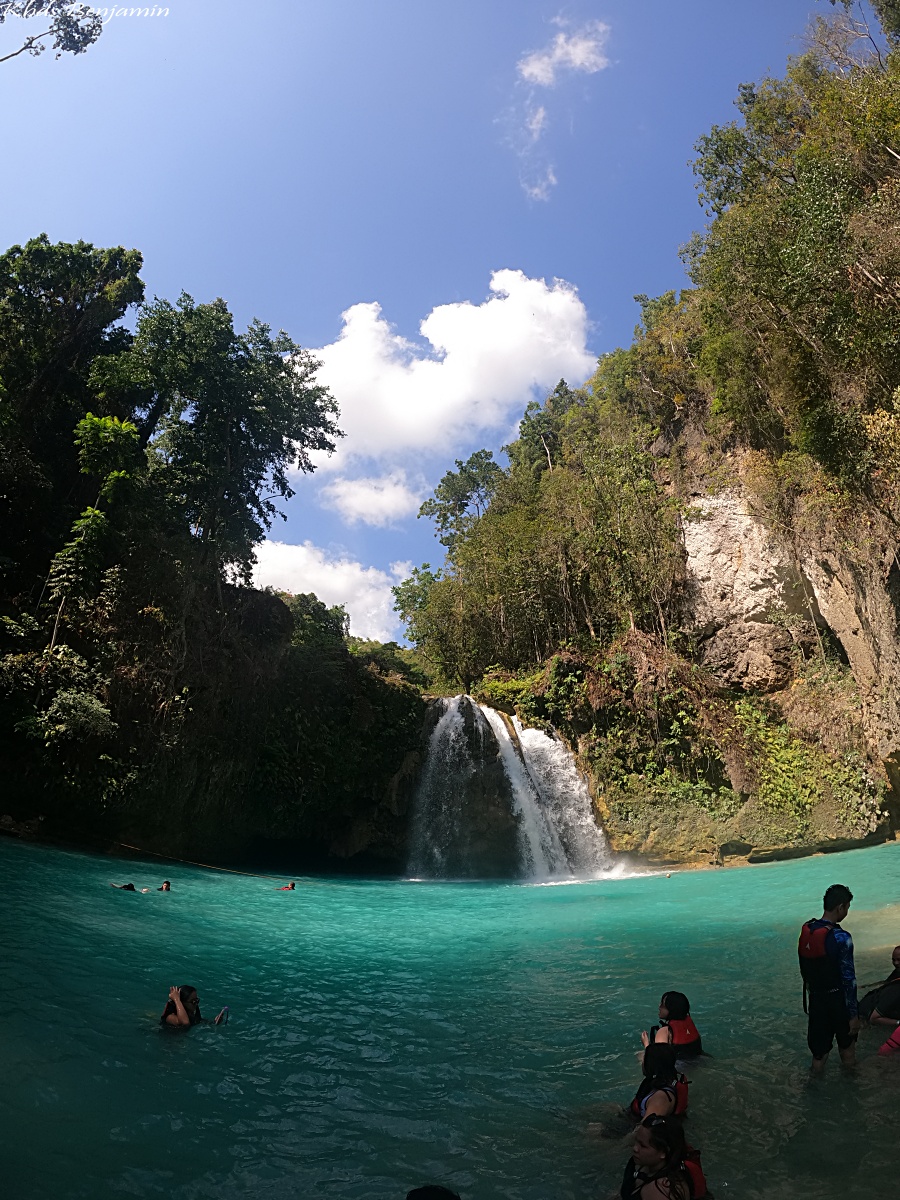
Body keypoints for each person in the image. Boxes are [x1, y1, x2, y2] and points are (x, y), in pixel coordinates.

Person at [798, 882, 859, 1069]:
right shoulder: (842, 937)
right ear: (840, 907)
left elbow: (805, 971)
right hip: (838, 1001)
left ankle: (813, 1090)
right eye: (847, 907)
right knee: (847, 1050)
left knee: (819, 1055)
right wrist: (853, 1015)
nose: (847, 912)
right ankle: (852, 1091)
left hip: (816, 1001)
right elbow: (849, 980)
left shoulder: (807, 930)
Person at [620, 1115, 706, 1199]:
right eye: (636, 1141)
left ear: (663, 1153)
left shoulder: (660, 1190)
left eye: (643, 1146)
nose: (635, 1148)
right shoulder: (644, 1164)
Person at [630, 1044, 688, 1122]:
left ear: (650, 1064)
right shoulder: (669, 1079)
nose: (642, 1063)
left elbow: (645, 1130)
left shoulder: (660, 1099)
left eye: (644, 1059)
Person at [643, 992, 702, 1058]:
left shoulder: (664, 1032)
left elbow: (658, 1061)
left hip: (679, 1066)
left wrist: (646, 1045)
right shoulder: (689, 1023)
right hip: (700, 1061)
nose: (659, 1007)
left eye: (662, 1005)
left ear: (671, 1009)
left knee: (640, 1054)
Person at [859, 946, 900, 1024]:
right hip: (866, 1011)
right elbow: (874, 1018)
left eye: (899, 959)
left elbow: (886, 982)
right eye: (893, 960)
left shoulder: (897, 972)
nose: (895, 963)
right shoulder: (895, 989)